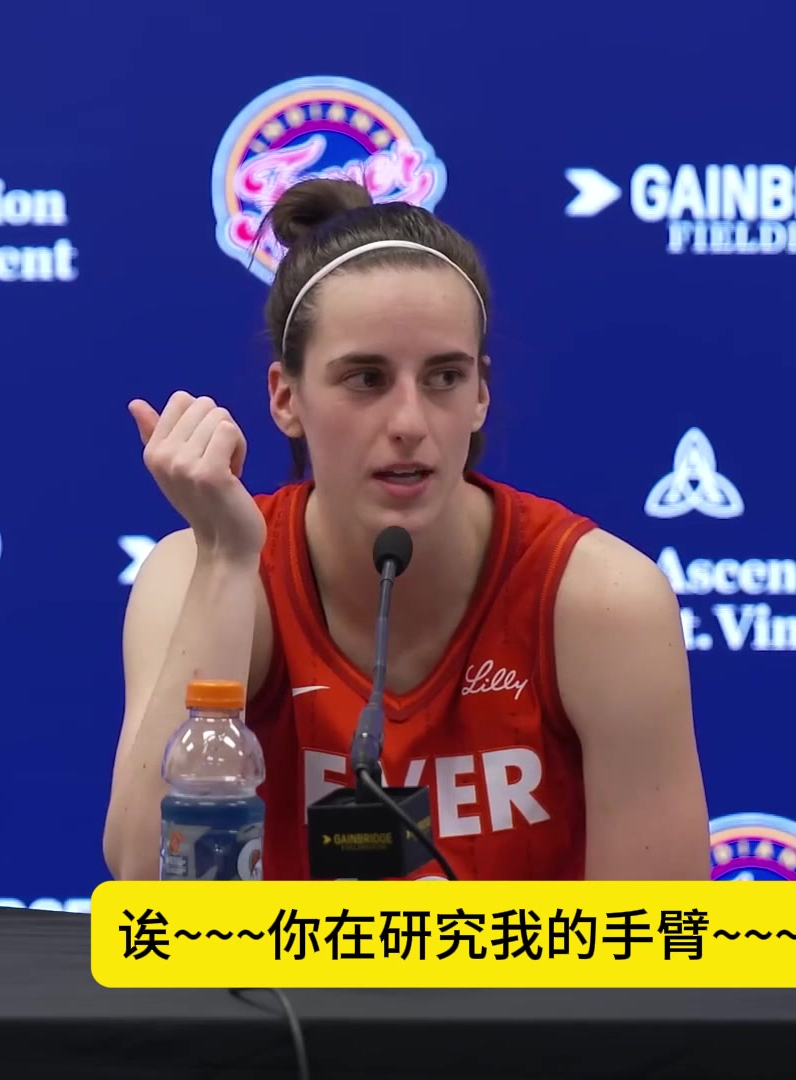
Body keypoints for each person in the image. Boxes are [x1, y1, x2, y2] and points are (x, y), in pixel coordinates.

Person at [102, 178, 709, 881]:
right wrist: (227, 560)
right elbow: (144, 880)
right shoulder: (204, 570)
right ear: (285, 397)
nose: (410, 423)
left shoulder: (601, 600)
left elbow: (653, 932)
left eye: (444, 377)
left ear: (480, 394)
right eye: (366, 379)